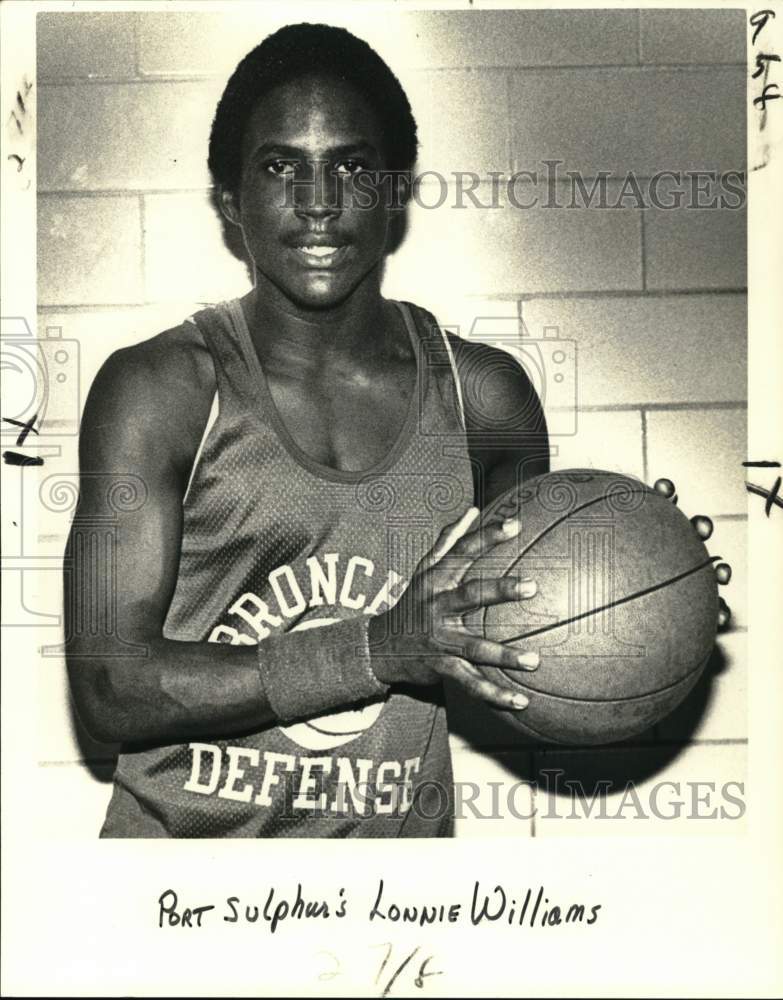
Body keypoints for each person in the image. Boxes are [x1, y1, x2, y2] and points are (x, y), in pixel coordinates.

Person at [64, 22, 727, 838]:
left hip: (393, 907)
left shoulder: (485, 397)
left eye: (351, 166)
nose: (319, 202)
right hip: (177, 892)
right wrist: (376, 649)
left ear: (395, 190)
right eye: (281, 167)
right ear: (231, 199)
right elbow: (106, 688)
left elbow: (513, 637)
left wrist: (641, 575)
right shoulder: (158, 390)